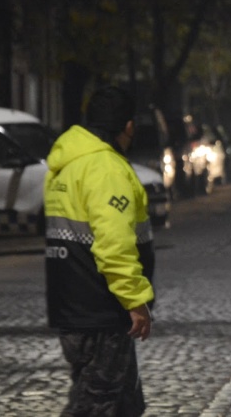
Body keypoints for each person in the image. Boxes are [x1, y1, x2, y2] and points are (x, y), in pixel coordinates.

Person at [44, 85, 155, 417]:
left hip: (72, 307)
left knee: (125, 404)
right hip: (101, 311)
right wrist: (134, 300)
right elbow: (113, 245)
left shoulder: (68, 165)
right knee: (96, 404)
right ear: (128, 127)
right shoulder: (106, 169)